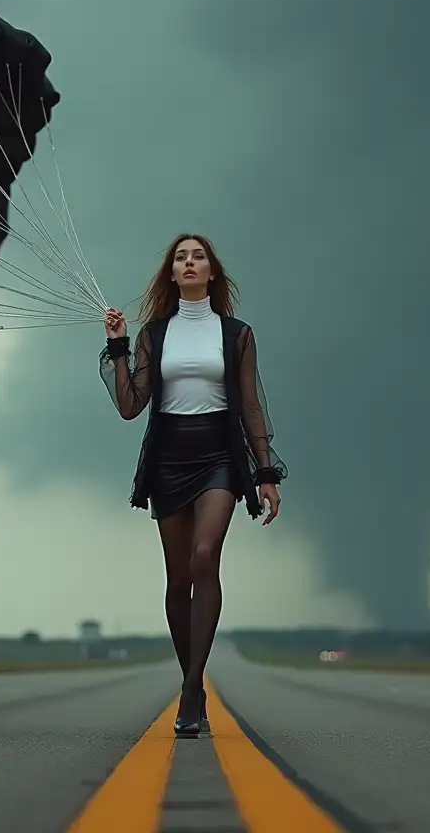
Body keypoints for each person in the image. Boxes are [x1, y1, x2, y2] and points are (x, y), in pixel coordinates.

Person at [99, 233, 287, 737]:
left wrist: (265, 472)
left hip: (220, 455)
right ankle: (194, 684)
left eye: (197, 256)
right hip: (169, 457)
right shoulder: (153, 336)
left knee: (205, 556)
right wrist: (118, 344)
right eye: (180, 257)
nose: (188, 262)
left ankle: (188, 689)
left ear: (211, 272)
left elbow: (250, 405)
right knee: (178, 579)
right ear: (172, 273)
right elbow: (129, 404)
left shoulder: (237, 334)